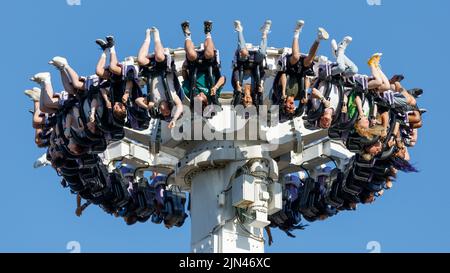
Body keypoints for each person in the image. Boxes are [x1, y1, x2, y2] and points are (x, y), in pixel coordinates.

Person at [276, 20, 329, 117]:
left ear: (284, 104)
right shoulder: (299, 96)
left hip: (288, 69)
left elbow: (283, 75)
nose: (291, 107)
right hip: (300, 72)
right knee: (309, 60)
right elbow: (307, 79)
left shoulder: (280, 93)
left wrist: (283, 91)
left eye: (288, 107)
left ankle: (296, 31)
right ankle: (319, 38)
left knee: (296, 56)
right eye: (292, 109)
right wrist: (305, 93)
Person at [135, 27, 184, 128]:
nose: (164, 112)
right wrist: (174, 119)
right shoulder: (173, 97)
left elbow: (137, 100)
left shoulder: (153, 102)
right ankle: (157, 36)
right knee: (159, 57)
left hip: (151, 70)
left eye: (163, 114)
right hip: (164, 68)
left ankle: (147, 38)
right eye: (167, 112)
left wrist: (147, 106)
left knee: (140, 60)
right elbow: (180, 106)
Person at [180, 20, 226, 111]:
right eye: (201, 97)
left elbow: (185, 79)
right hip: (210, 66)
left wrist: (184, 67)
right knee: (209, 53)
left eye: (197, 97)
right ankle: (208, 32)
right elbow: (223, 78)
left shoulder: (190, 93)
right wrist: (215, 87)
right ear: (206, 102)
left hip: (195, 67)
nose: (199, 95)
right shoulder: (213, 95)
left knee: (191, 54)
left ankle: (187, 34)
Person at [231, 19, 271, 108]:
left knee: (244, 52)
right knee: (262, 54)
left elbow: (236, 72)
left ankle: (239, 30)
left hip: (243, 62)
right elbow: (263, 73)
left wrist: (238, 84)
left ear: (242, 100)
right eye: (250, 102)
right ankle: (265, 33)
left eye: (246, 102)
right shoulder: (255, 88)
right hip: (255, 64)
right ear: (253, 100)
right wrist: (261, 83)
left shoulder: (238, 87)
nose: (248, 100)